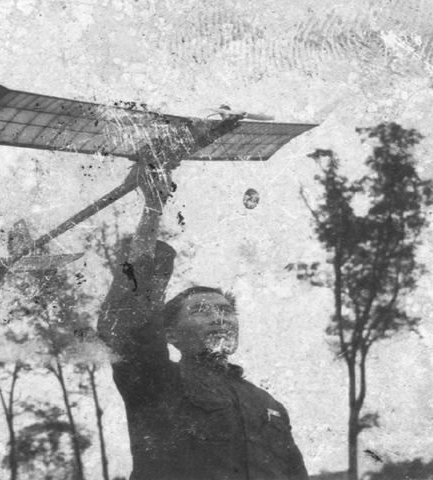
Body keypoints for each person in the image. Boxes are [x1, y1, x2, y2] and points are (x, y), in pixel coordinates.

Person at [98, 159, 308, 480]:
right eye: (201, 311)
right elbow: (129, 318)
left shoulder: (267, 403)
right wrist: (153, 208)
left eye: (226, 311)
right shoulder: (156, 383)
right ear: (169, 333)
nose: (219, 319)